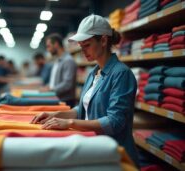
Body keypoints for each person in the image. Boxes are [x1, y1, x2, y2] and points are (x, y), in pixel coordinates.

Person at [31, 14, 139, 166]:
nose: (83, 51)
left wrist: (69, 122)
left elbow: (114, 122)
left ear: (103, 40)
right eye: (81, 47)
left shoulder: (121, 74)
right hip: (95, 147)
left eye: (87, 45)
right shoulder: (93, 73)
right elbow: (82, 109)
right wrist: (55, 114)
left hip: (115, 156)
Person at [41, 33, 77, 108]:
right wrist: (48, 87)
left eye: (49, 46)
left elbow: (67, 84)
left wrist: (51, 89)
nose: (48, 50)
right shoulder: (57, 60)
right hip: (57, 98)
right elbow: (55, 81)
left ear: (56, 44)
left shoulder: (68, 60)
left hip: (65, 101)